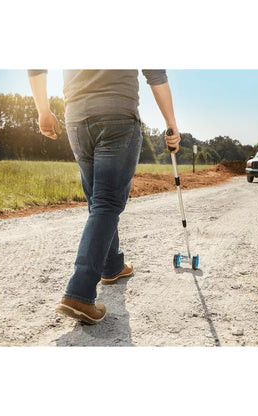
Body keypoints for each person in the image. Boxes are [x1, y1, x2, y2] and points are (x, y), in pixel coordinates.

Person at [28, 69, 180, 324]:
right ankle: (79, 292)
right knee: (106, 203)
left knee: (98, 202)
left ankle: (112, 265)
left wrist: (43, 110)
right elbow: (155, 74)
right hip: (117, 117)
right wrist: (171, 124)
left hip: (76, 119)